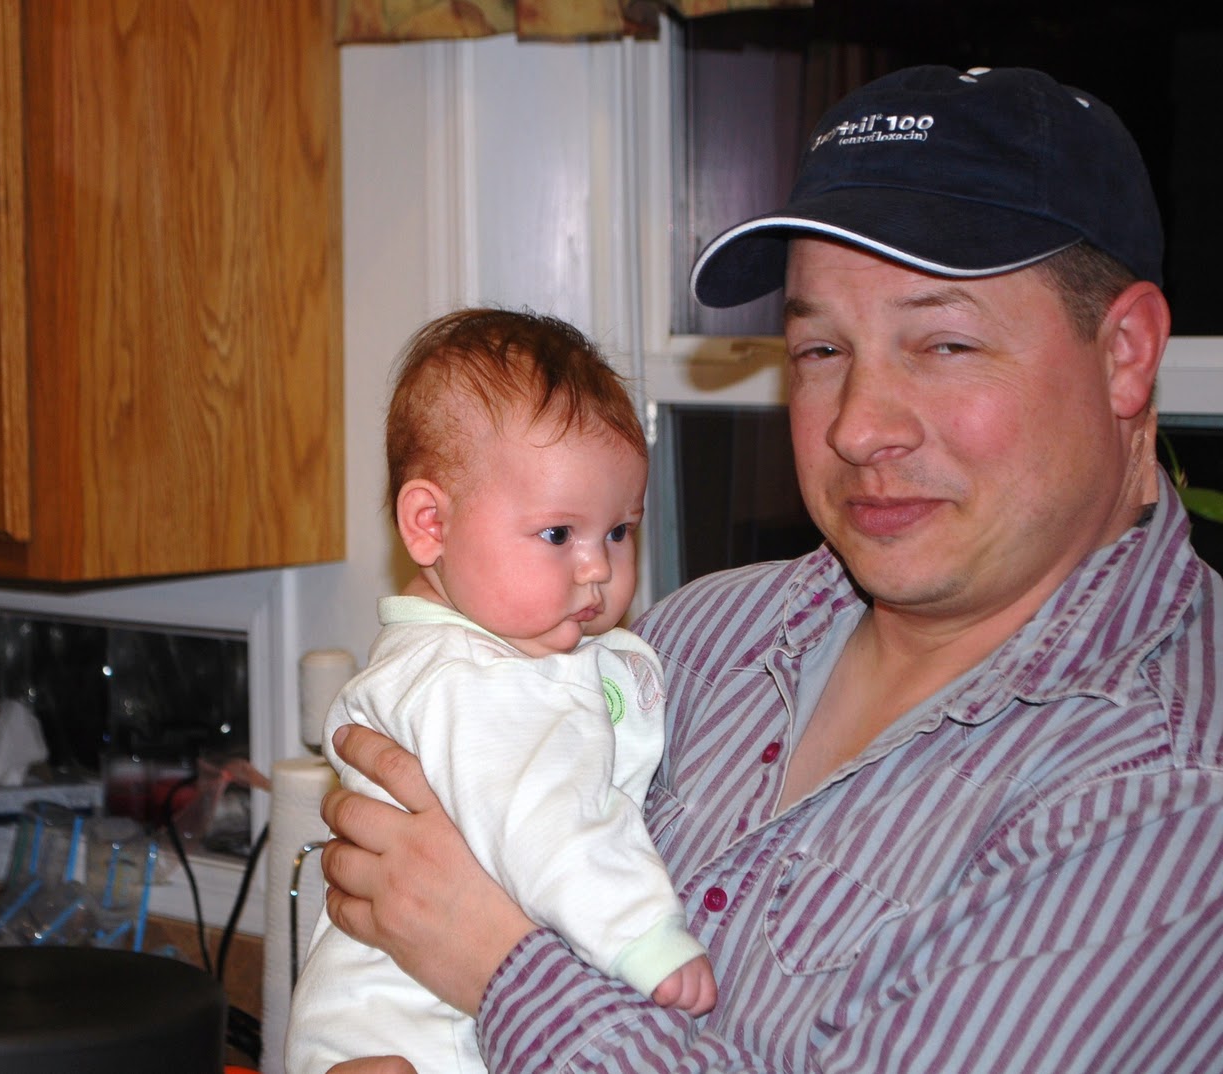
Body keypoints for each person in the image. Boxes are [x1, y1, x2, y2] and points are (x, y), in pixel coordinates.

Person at [316, 65, 1223, 1073]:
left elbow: (461, 913)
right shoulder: (696, 639)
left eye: (943, 344)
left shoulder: (1165, 789)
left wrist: (495, 965)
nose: (857, 428)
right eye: (821, 351)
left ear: (1125, 352)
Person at [285, 308, 716, 1074]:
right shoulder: (469, 678)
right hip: (418, 1038)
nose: (598, 567)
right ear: (430, 525)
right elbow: (545, 815)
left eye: (619, 531)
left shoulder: (499, 651)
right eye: (558, 534)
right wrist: (642, 935)